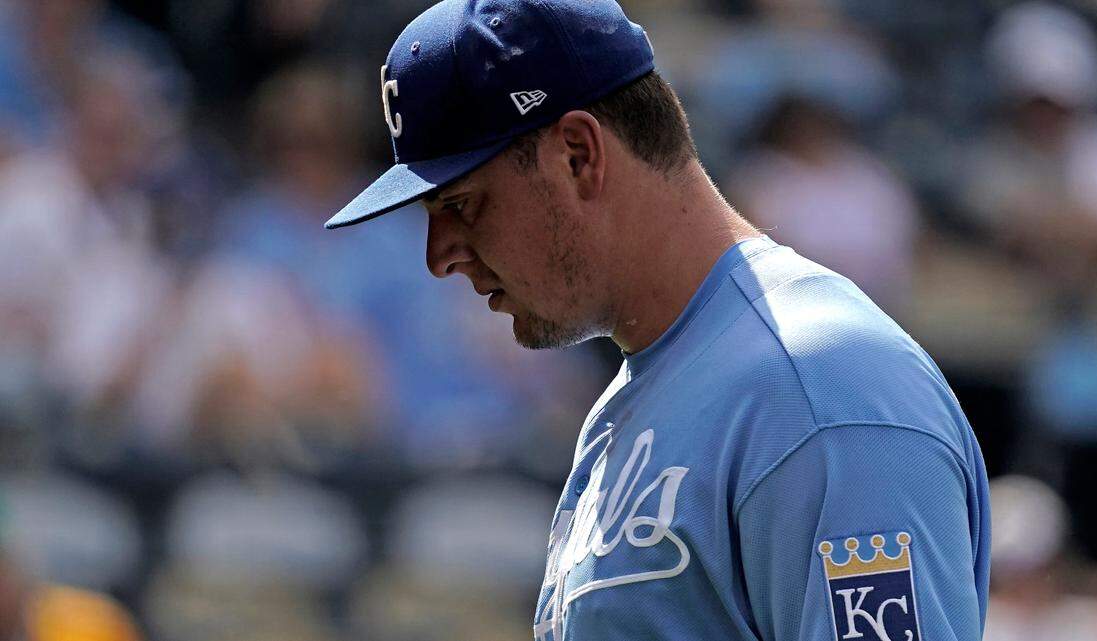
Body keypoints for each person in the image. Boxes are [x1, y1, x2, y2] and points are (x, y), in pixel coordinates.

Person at [325, 1, 990, 640]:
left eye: (464, 205)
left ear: (579, 154)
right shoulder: (634, 399)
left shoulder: (820, 388)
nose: (439, 255)